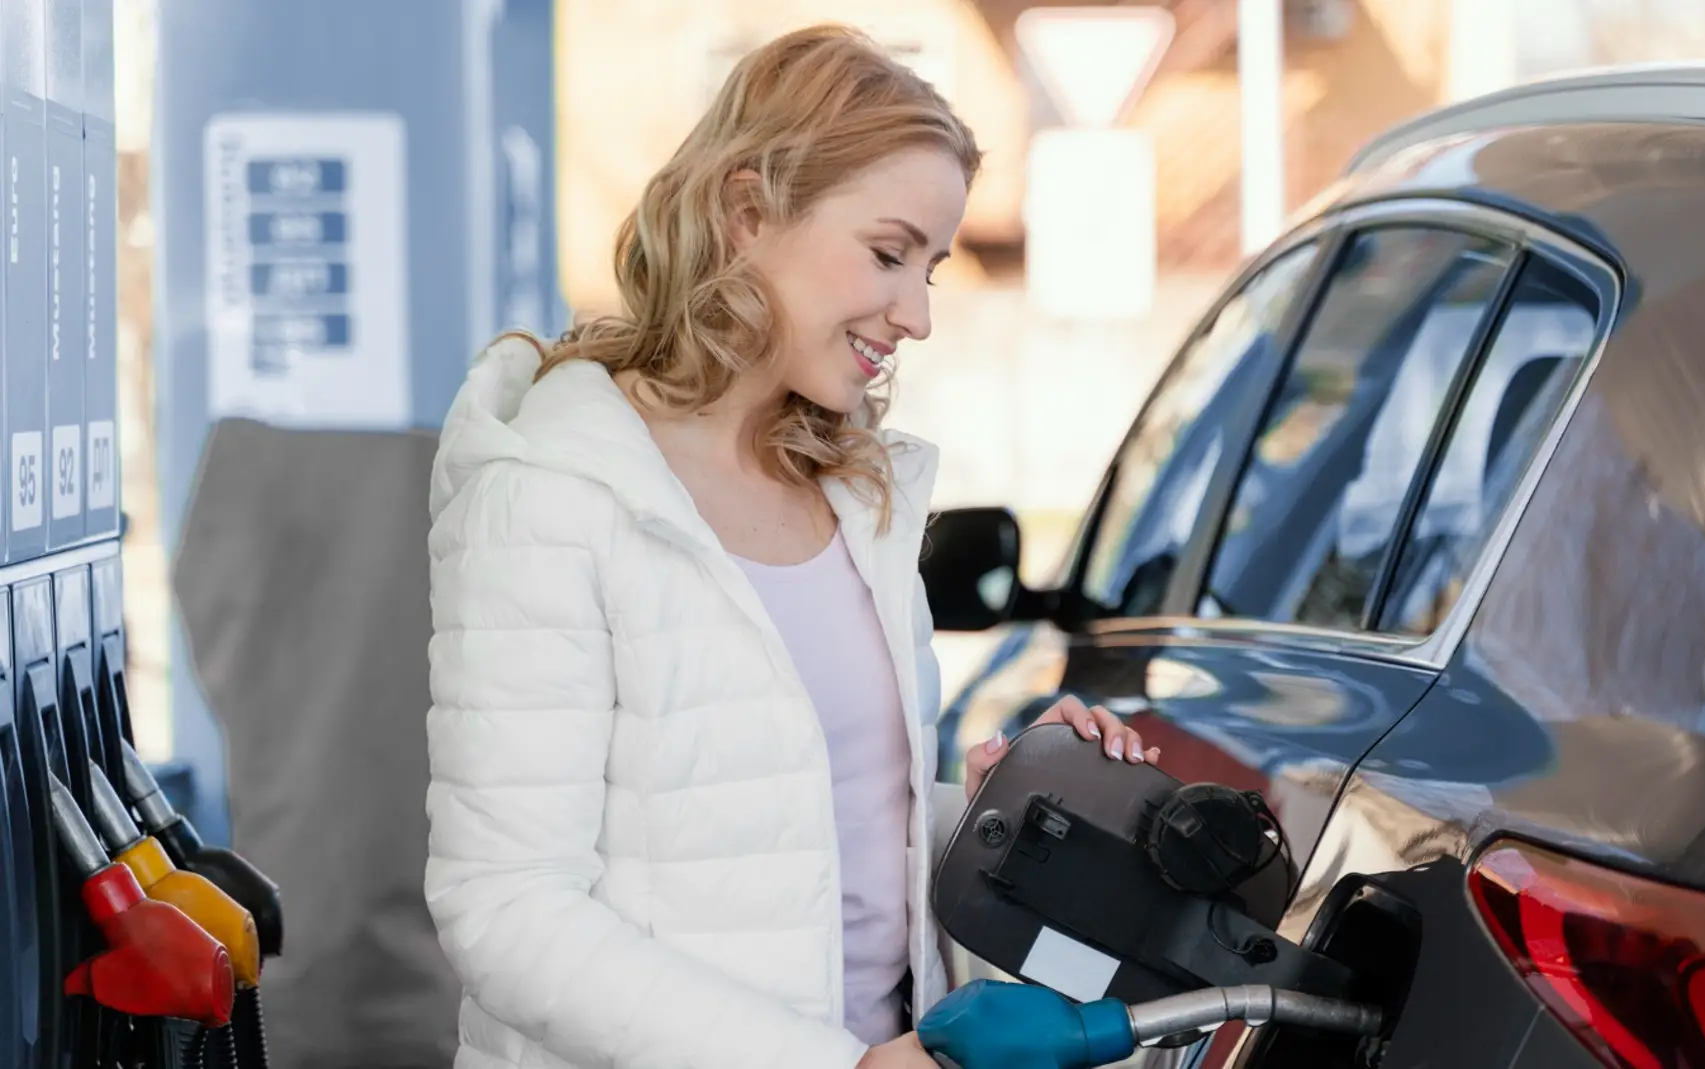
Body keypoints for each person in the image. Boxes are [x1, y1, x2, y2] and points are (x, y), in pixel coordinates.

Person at [423, 24, 1160, 1069]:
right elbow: (506, 907)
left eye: (934, 268)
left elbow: (796, 828)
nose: (916, 314)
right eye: (887, 252)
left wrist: (1003, 815)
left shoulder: (853, 492)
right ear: (745, 213)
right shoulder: (550, 490)